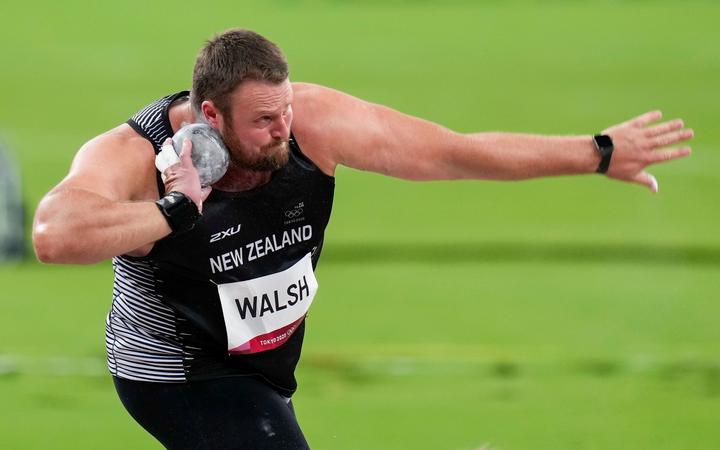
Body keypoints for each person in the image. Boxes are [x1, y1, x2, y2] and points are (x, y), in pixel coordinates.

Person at [32, 28, 693, 449]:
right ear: (211, 115)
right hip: (174, 369)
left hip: (265, 366)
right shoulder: (137, 156)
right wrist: (178, 207)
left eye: (285, 111)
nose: (282, 132)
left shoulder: (308, 124)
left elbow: (451, 153)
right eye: (263, 121)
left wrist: (599, 152)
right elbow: (55, 235)